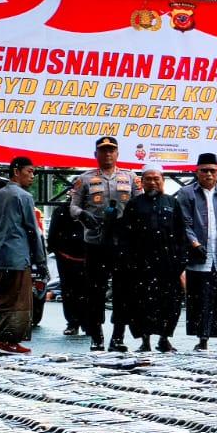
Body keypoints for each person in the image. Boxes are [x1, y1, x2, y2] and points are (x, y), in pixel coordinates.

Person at [70, 135, 140, 352]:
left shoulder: (130, 177)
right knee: (95, 291)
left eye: (111, 150)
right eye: (103, 151)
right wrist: (82, 215)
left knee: (123, 291)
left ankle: (118, 336)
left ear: (117, 154)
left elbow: (140, 204)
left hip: (123, 243)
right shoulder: (85, 178)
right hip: (96, 242)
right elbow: (72, 207)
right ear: (96, 154)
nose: (107, 154)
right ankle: (96, 335)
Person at [118, 164, 188, 352]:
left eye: (156, 178)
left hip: (168, 264)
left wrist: (181, 260)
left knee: (170, 303)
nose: (152, 182)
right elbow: (125, 235)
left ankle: (164, 339)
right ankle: (145, 341)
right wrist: (128, 261)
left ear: (162, 181)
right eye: (148, 179)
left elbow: (181, 233)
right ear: (142, 182)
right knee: (142, 304)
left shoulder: (172, 203)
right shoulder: (134, 204)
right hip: (141, 264)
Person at [178, 152, 217, 351]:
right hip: (198, 253)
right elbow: (183, 222)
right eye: (204, 171)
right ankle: (202, 338)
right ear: (197, 172)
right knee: (199, 297)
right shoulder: (187, 193)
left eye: (212, 171)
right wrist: (194, 243)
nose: (209, 174)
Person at [0, 156, 47, 355]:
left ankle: (1, 340)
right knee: (17, 302)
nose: (32, 175)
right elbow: (33, 230)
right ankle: (10, 342)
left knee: (0, 300)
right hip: (16, 257)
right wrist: (41, 261)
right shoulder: (24, 197)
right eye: (29, 171)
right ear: (16, 171)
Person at [47, 181, 88, 336]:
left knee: (89, 291)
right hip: (66, 258)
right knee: (69, 291)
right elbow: (52, 237)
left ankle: (89, 323)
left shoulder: (94, 209)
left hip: (88, 257)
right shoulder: (61, 211)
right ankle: (72, 322)